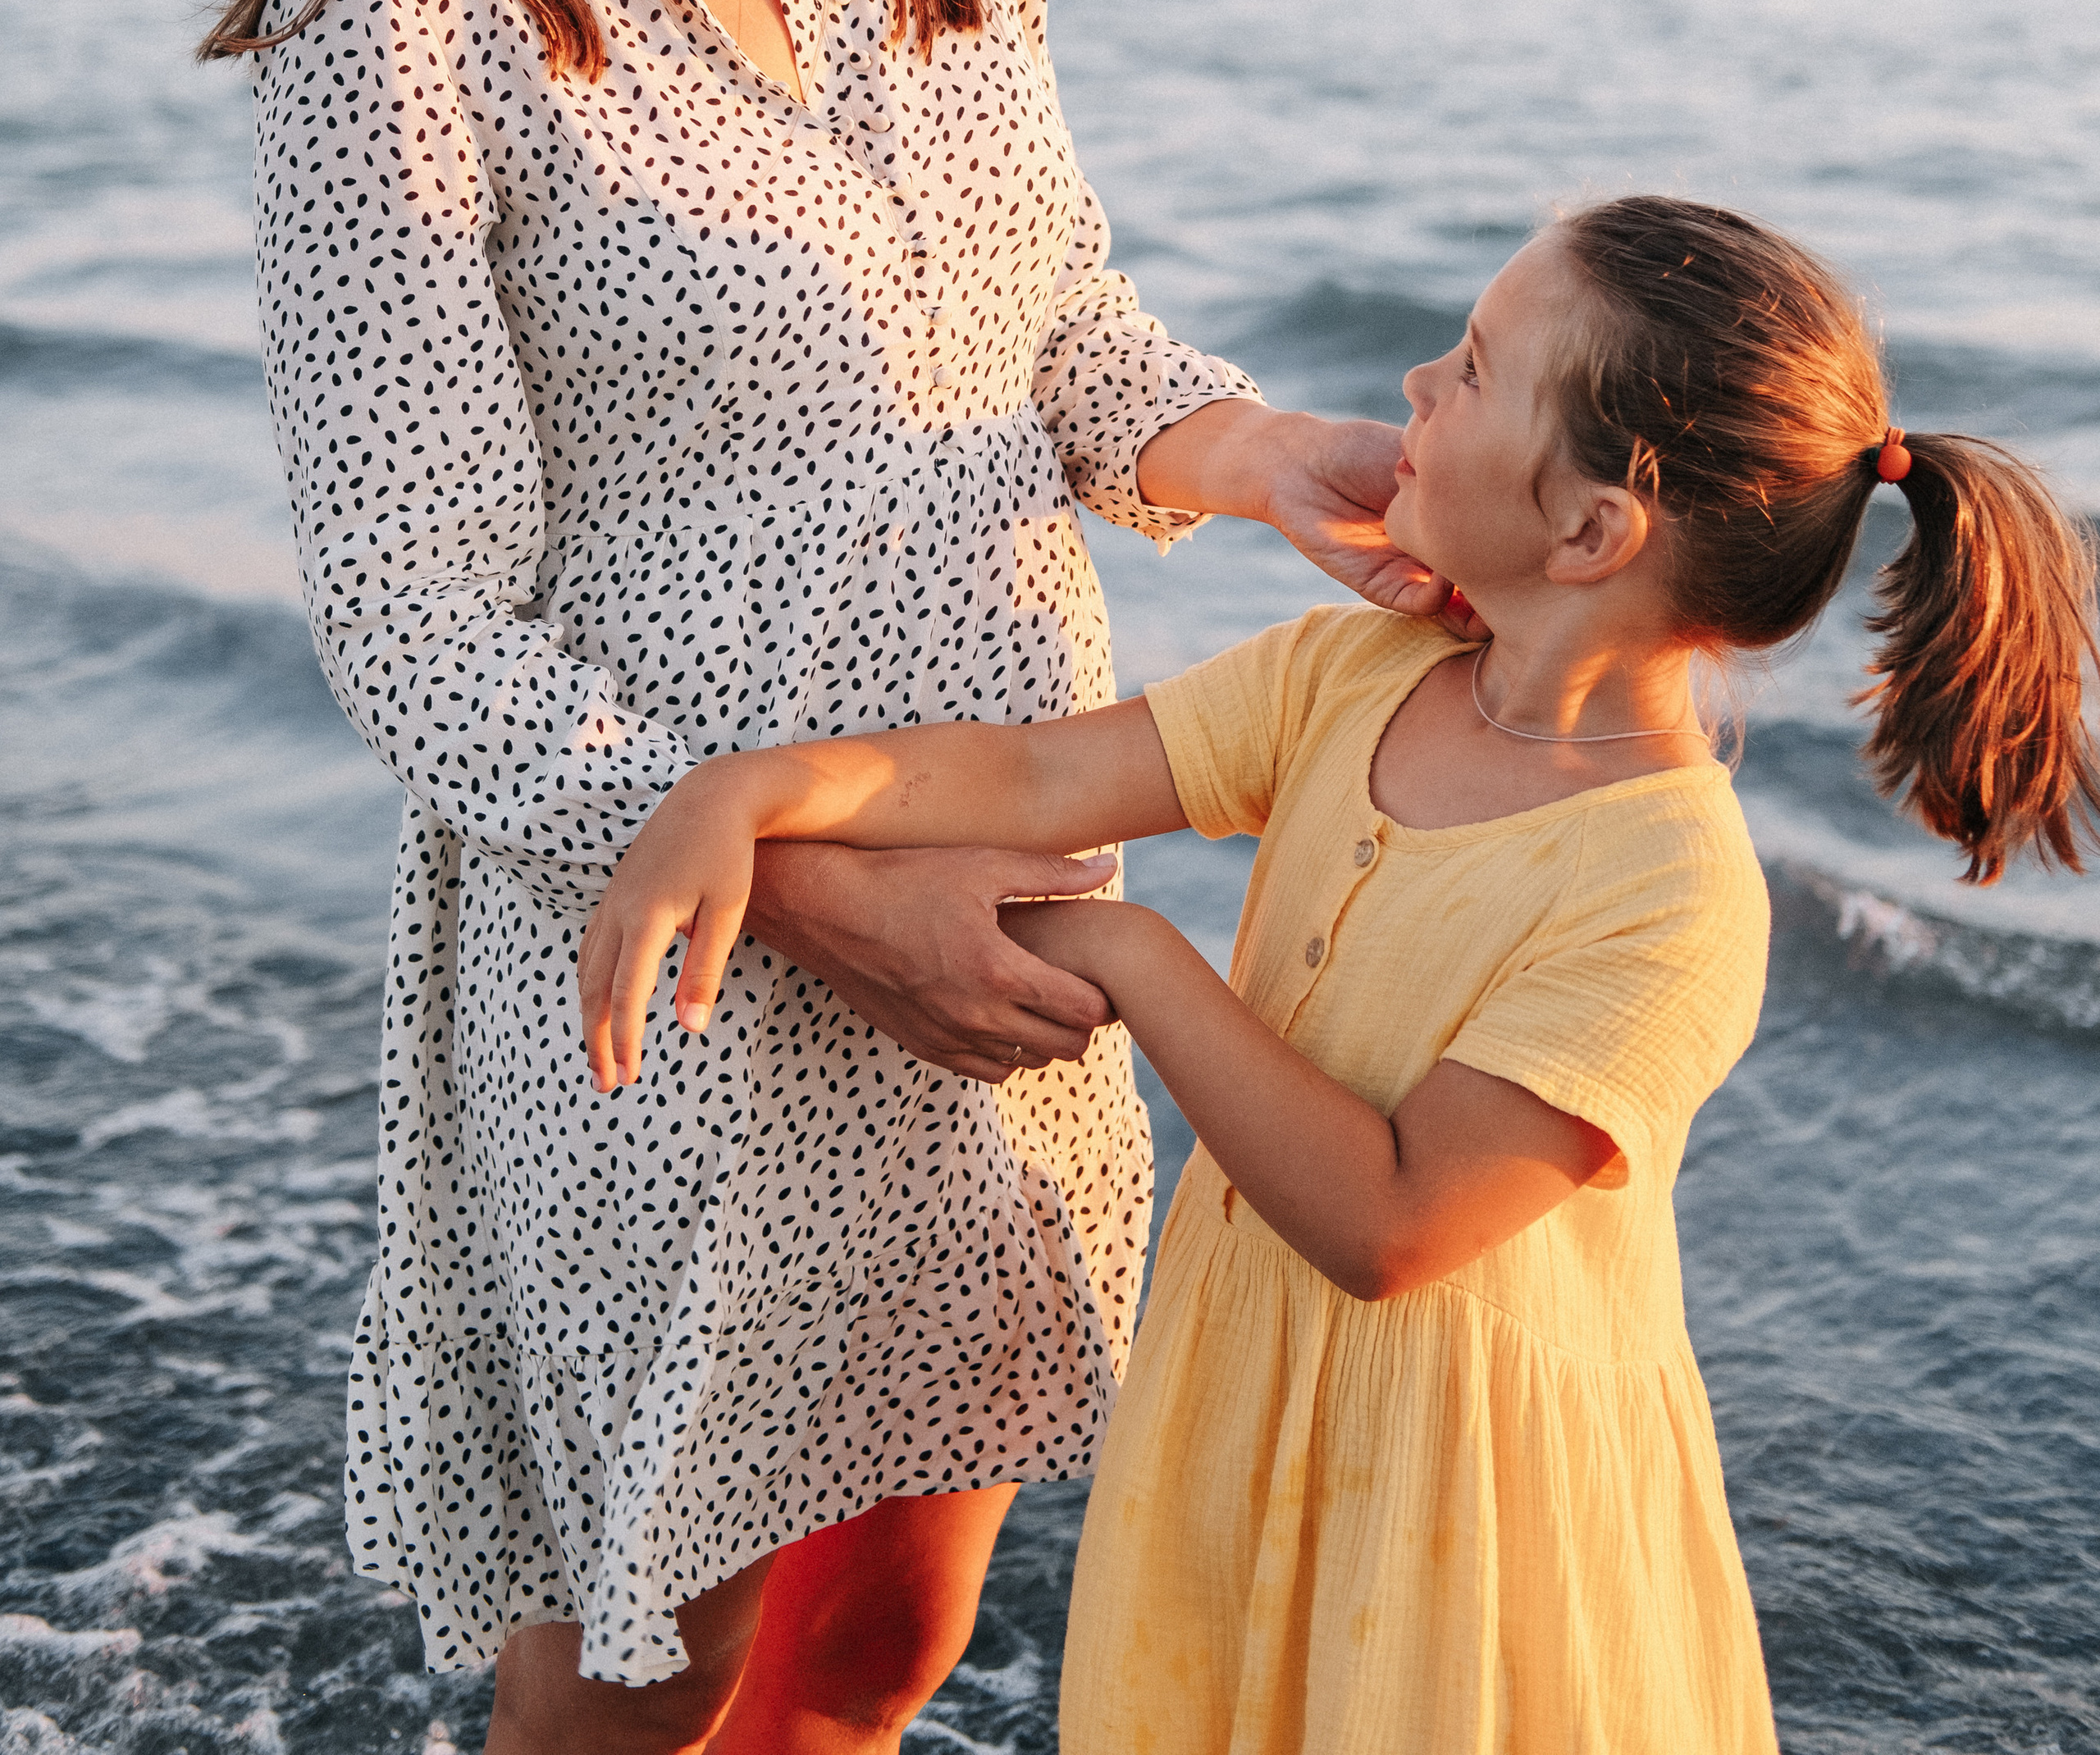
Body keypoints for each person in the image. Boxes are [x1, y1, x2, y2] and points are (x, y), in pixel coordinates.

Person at [203, 0, 1453, 1755]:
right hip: (671, 948)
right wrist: (798, 883)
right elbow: (417, 621)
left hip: (1004, 851)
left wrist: (1273, 459)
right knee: (653, 1682)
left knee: (890, 1638)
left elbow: (1051, 318)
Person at [582, 194, 2100, 1755]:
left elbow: (1391, 1223)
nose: (1416, 392)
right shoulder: (1351, 677)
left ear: (1591, 532)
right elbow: (1036, 784)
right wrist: (748, 792)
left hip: (1464, 1510)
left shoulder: (1670, 892)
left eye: (1473, 371)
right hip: (1246, 1414)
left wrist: (1127, 945)